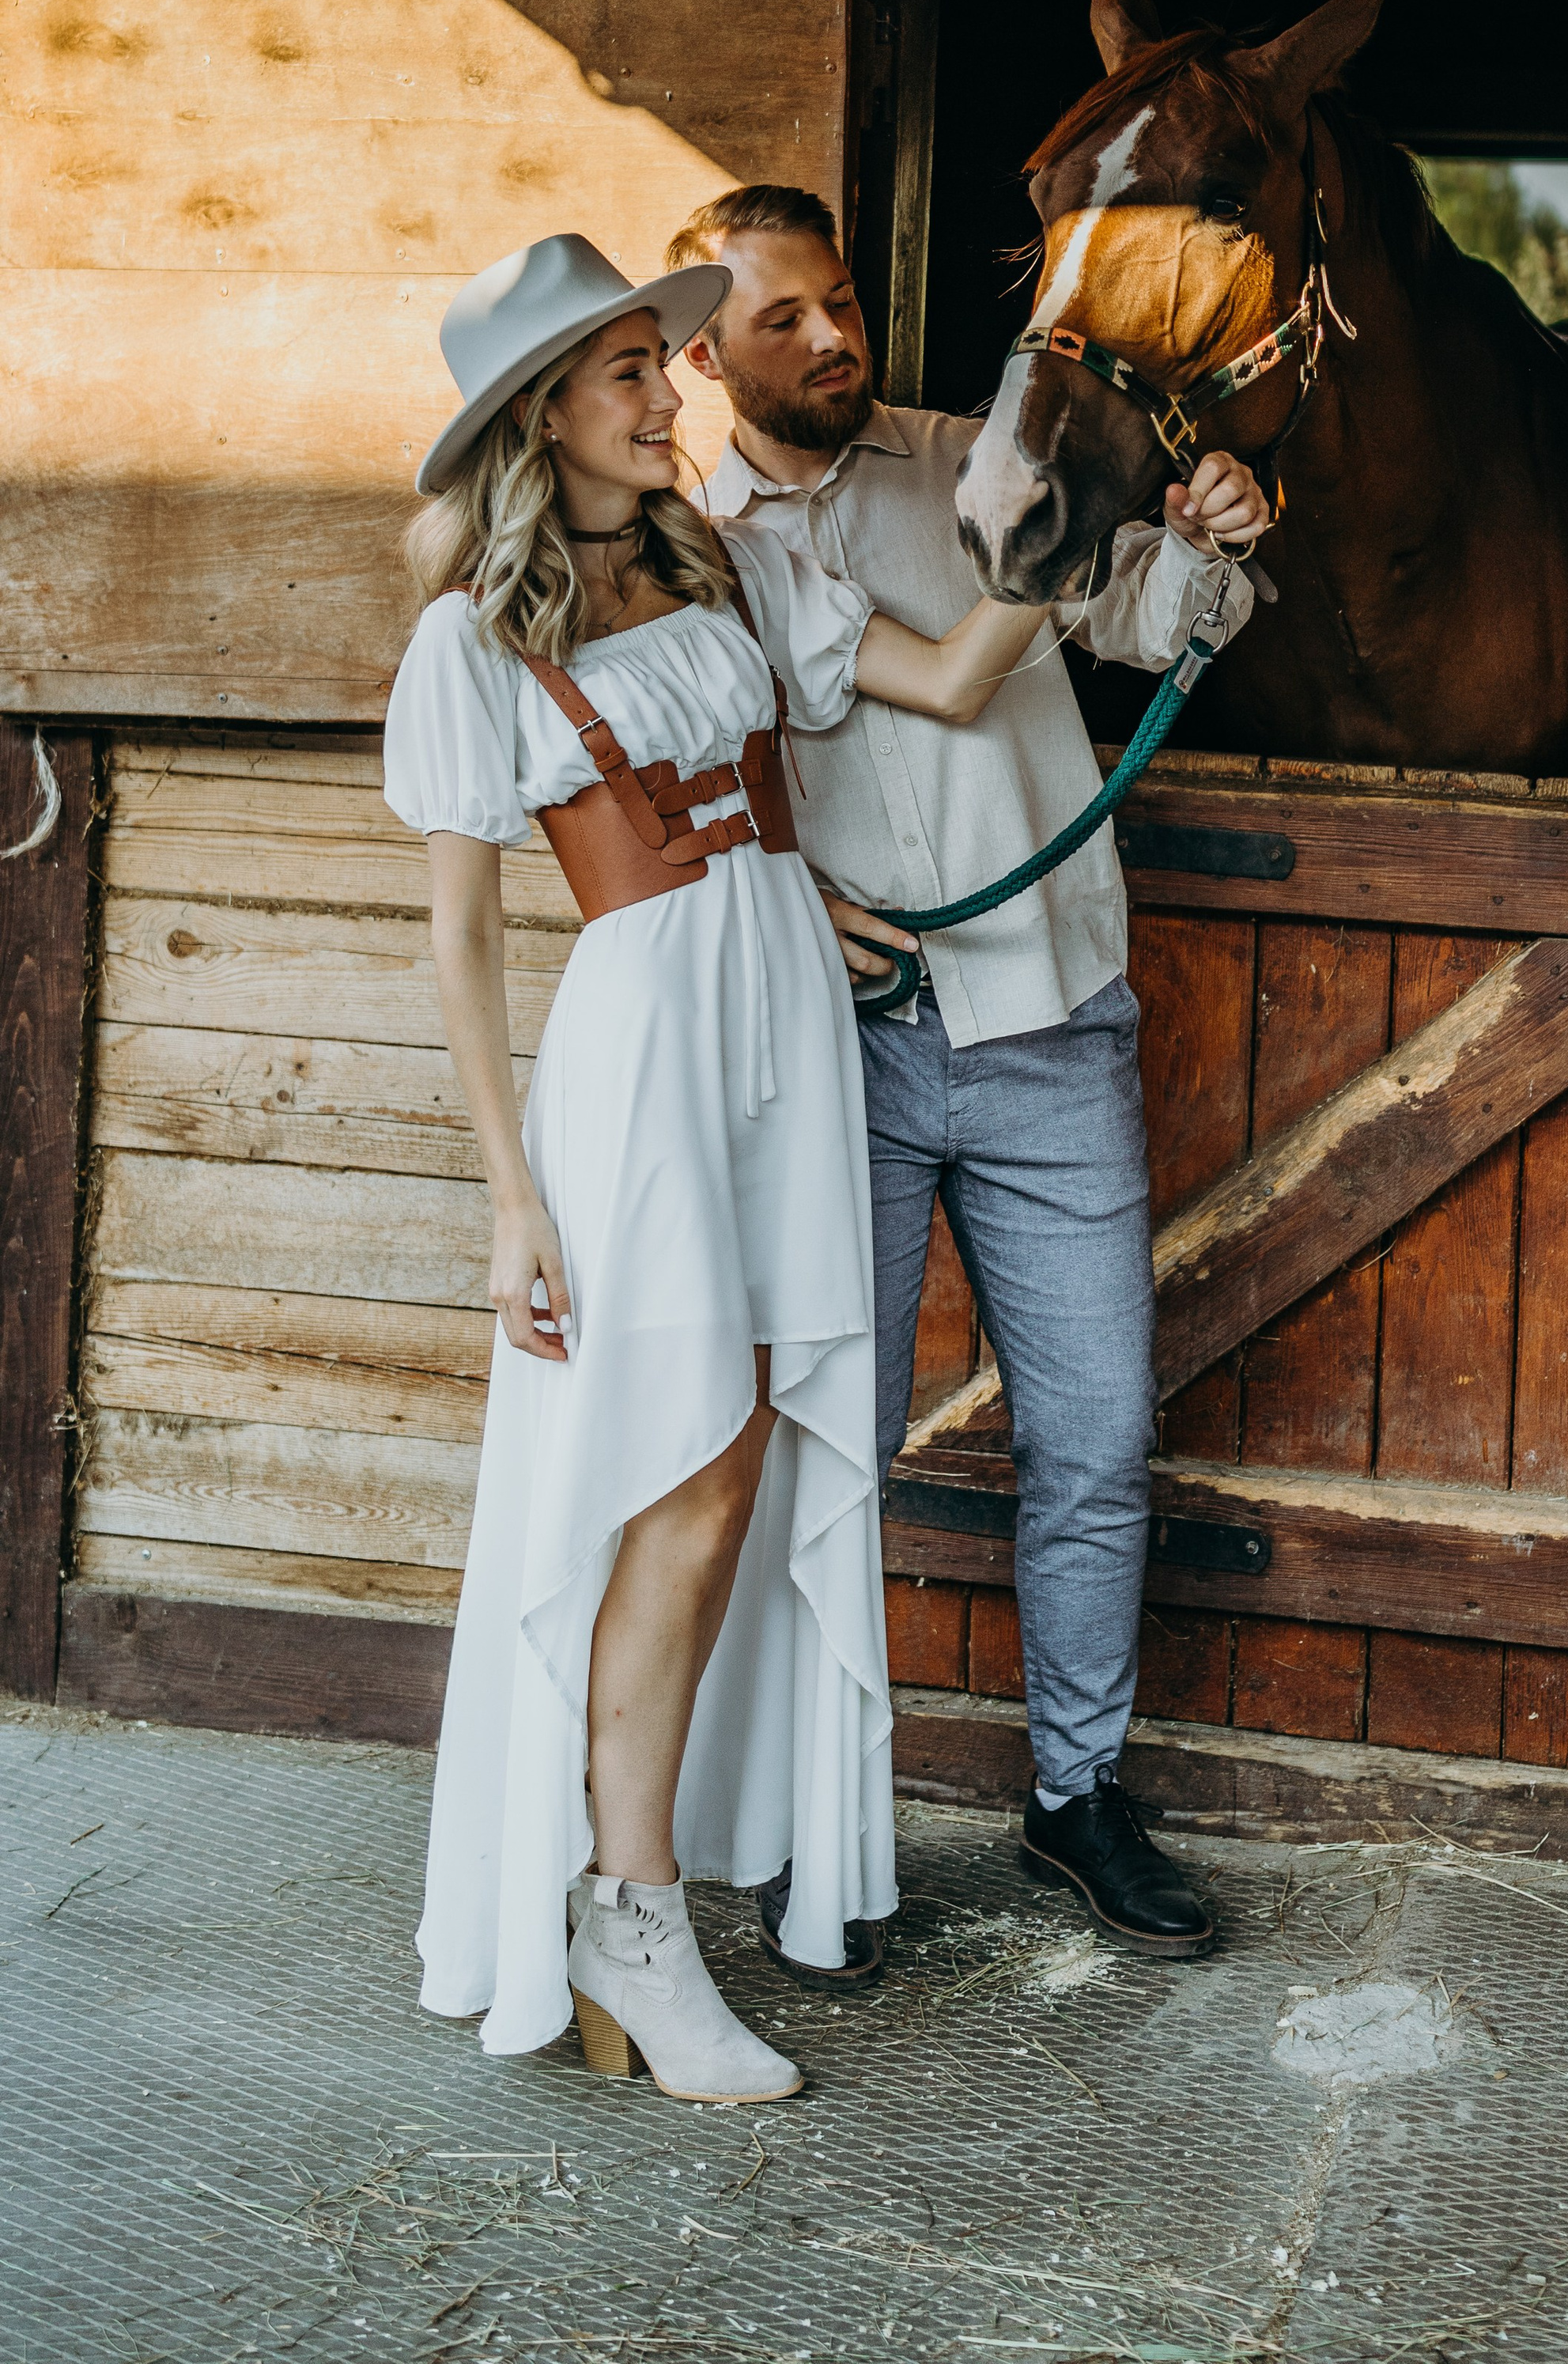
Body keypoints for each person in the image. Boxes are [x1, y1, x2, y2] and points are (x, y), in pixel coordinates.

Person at [387, 232, 1048, 2101]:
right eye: (625, 370)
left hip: (783, 1029)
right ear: (541, 414)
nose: (663, 391)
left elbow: (927, 691)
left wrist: (1094, 528)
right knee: (673, 1475)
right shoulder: (472, 638)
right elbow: (463, 938)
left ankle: (650, 1886)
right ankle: (627, 1917)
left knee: (744, 1464)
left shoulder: (722, 565)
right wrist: (511, 1199)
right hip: (644, 1056)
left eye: (655, 361)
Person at [682, 186, 1270, 1964]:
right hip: (837, 1054)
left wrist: (1213, 535)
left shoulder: (984, 459)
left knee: (1092, 1434)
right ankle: (815, 1820)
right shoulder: (693, 550)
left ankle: (1077, 1797)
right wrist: (784, 896)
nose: (829, 338)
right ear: (704, 353)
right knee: (830, 1449)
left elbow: (1159, 618)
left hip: (1048, 1024)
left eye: (841, 301)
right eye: (781, 318)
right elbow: (680, 791)